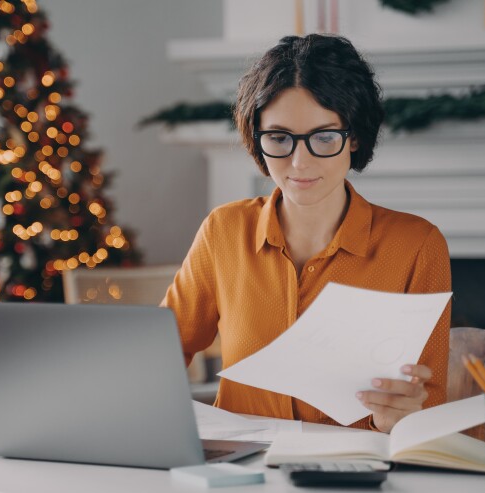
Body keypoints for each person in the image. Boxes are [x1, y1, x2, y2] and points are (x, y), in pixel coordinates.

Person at [161, 34, 451, 433]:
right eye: (279, 138)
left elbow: (427, 405)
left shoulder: (417, 246)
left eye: (324, 137)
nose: (300, 162)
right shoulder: (223, 231)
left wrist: (398, 421)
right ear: (257, 138)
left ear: (354, 138)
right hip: (241, 470)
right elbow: (161, 355)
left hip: (357, 472)